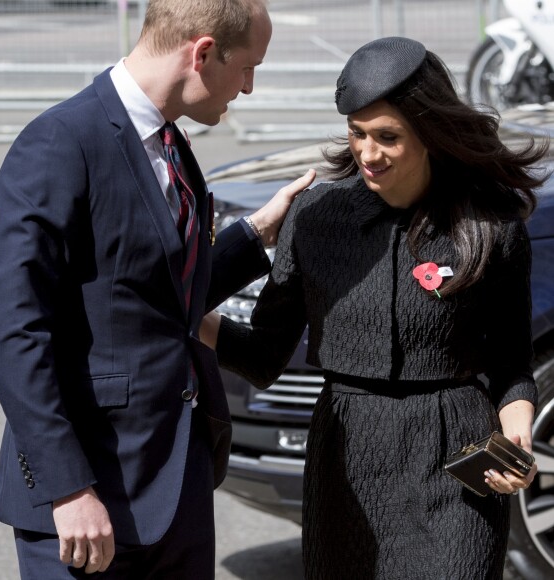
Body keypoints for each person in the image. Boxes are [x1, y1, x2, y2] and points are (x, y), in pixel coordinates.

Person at [0, 0, 315, 578]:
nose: (250, 88)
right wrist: (67, 490)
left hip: (175, 484)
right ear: (203, 53)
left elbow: (154, 296)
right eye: (248, 67)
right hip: (87, 501)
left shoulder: (171, 141)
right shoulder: (60, 142)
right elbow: (14, 330)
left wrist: (256, 233)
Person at [201, 37, 547, 579]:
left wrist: (516, 433)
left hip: (457, 465)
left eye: (388, 137)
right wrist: (183, 316)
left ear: (431, 134)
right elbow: (265, 354)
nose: (367, 152)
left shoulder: (491, 225)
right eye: (357, 134)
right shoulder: (315, 217)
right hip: (346, 459)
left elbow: (510, 364)